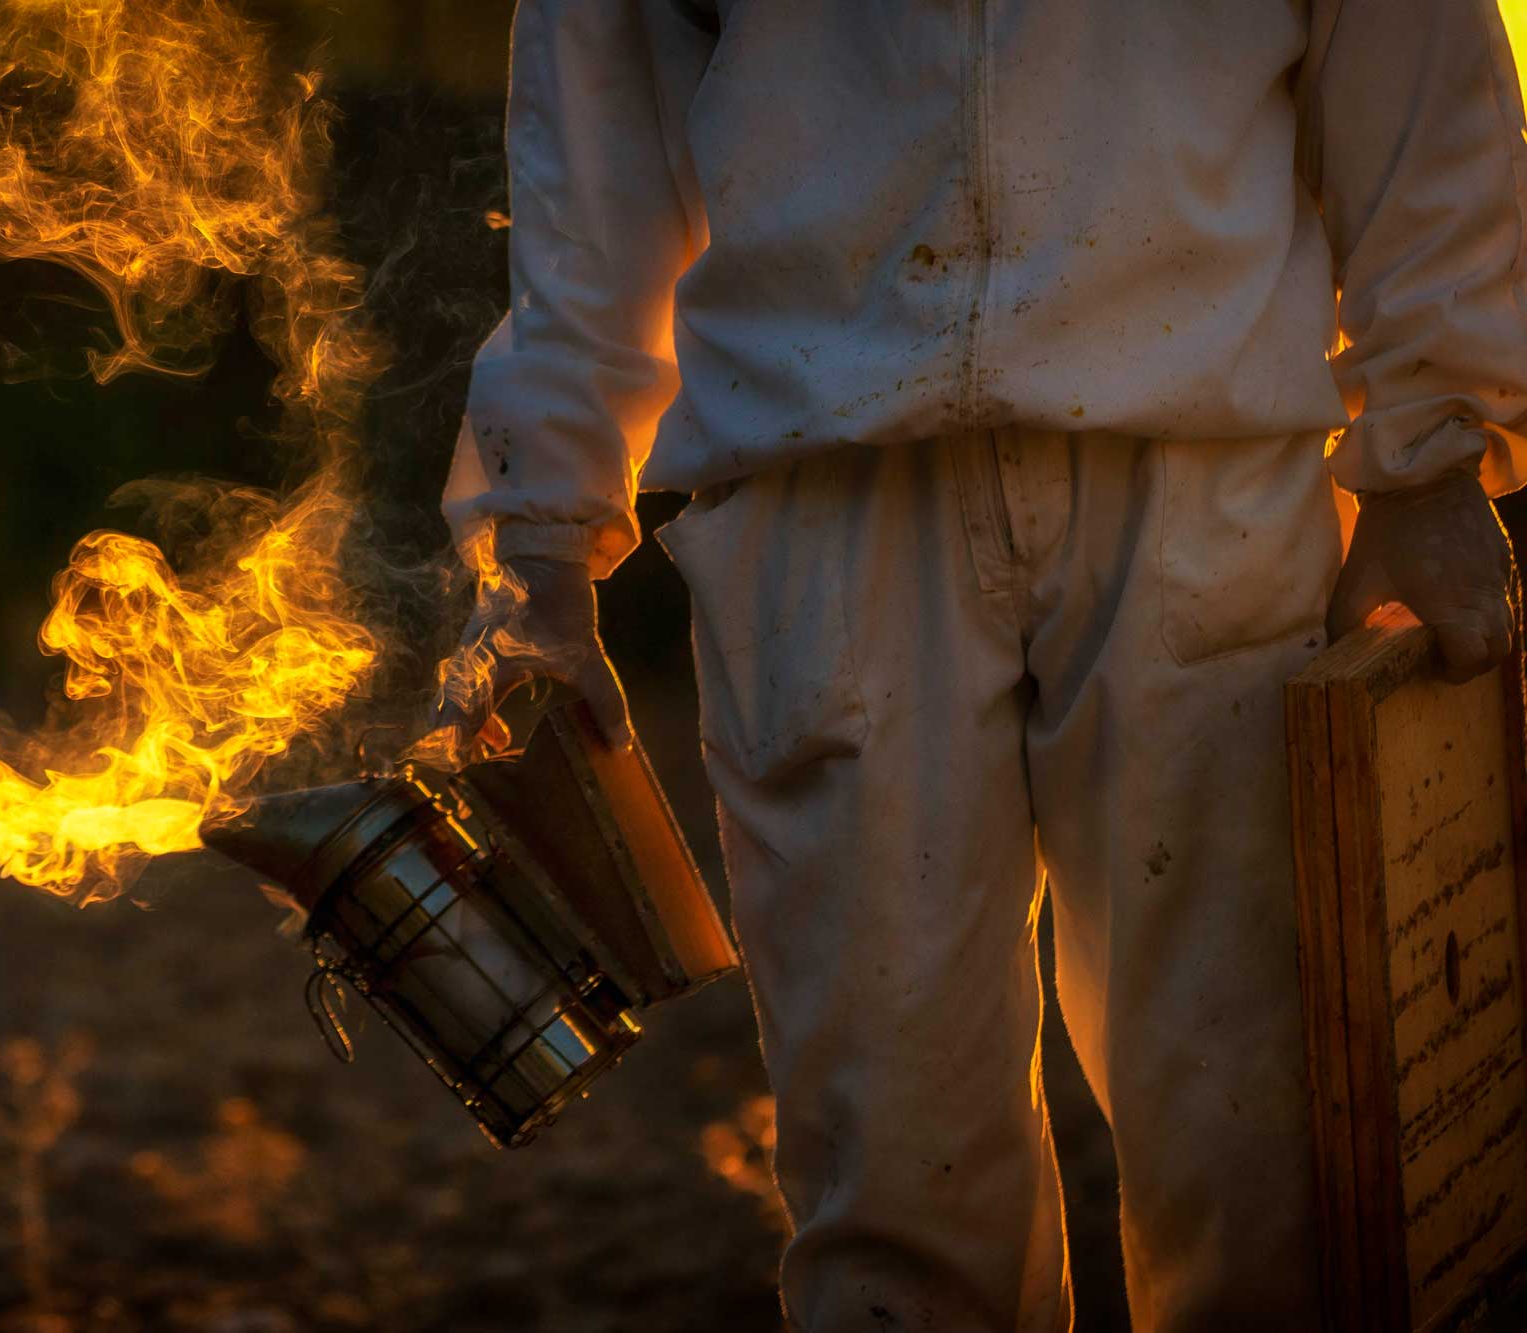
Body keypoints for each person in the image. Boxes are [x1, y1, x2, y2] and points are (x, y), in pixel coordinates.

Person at [431, 2, 1526, 1329]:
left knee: (1269, 1162)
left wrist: (1440, 452)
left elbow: (1411, 56)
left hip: (1202, 474)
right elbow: (590, 125)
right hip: (823, 492)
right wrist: (537, 544)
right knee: (895, 1198)